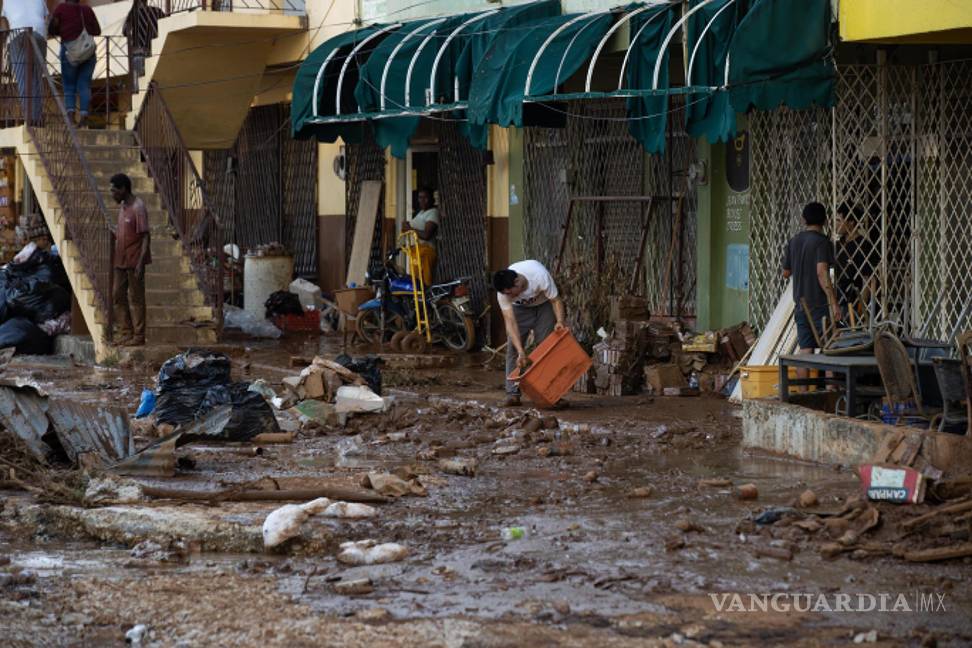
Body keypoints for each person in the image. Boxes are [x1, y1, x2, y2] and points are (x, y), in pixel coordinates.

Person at [493, 260, 568, 407]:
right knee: (513, 350)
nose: (509, 295)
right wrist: (521, 351)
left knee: (547, 349)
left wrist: (560, 321)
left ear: (517, 282)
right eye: (506, 294)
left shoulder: (539, 276)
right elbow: (510, 322)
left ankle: (551, 395)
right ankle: (512, 394)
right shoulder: (503, 293)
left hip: (543, 306)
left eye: (510, 292)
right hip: (519, 311)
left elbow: (556, 301)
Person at [782, 201, 840, 357]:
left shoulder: (793, 242)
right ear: (825, 220)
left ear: (803, 220)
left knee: (805, 349)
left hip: (801, 305)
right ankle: (829, 383)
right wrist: (834, 303)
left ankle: (805, 382)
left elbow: (786, 273)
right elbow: (822, 272)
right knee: (830, 347)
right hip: (819, 305)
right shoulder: (822, 242)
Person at [110, 173, 151, 346]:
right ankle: (125, 332)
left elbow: (145, 236)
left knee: (136, 298)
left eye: (114, 191)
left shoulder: (138, 207)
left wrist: (141, 262)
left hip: (134, 261)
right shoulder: (122, 206)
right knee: (117, 295)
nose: (112, 194)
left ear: (123, 189)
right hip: (121, 260)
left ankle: (139, 335)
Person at [49, 0, 101, 128]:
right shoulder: (87, 10)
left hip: (69, 52)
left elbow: (51, 29)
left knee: (69, 85)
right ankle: (84, 117)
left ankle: (71, 118)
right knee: (84, 84)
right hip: (88, 52)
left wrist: (65, 30)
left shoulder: (61, 9)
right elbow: (97, 31)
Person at [1, 0, 48, 124]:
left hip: (18, 36)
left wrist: (7, 39)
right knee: (37, 78)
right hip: (39, 35)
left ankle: (30, 118)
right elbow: (45, 17)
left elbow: (3, 20)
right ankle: (37, 117)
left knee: (23, 78)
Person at [834, 202, 876, 317]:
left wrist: (861, 308)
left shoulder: (863, 246)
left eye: (838, 220)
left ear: (851, 222)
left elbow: (868, 279)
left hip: (853, 304)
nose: (836, 225)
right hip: (836, 302)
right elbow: (832, 272)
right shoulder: (837, 245)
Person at [401, 186, 439, 286]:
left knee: (424, 282)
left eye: (425, 197)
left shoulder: (433, 212)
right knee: (416, 281)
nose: (422, 200)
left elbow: (427, 235)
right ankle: (417, 301)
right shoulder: (421, 213)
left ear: (432, 199)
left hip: (425, 252)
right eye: (420, 197)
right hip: (416, 251)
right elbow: (412, 229)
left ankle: (425, 301)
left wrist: (410, 229)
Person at [123, 0, 164, 81]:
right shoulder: (157, 11)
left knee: (140, 81)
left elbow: (125, 31)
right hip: (154, 49)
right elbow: (165, 23)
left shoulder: (134, 13)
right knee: (154, 78)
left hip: (138, 51)